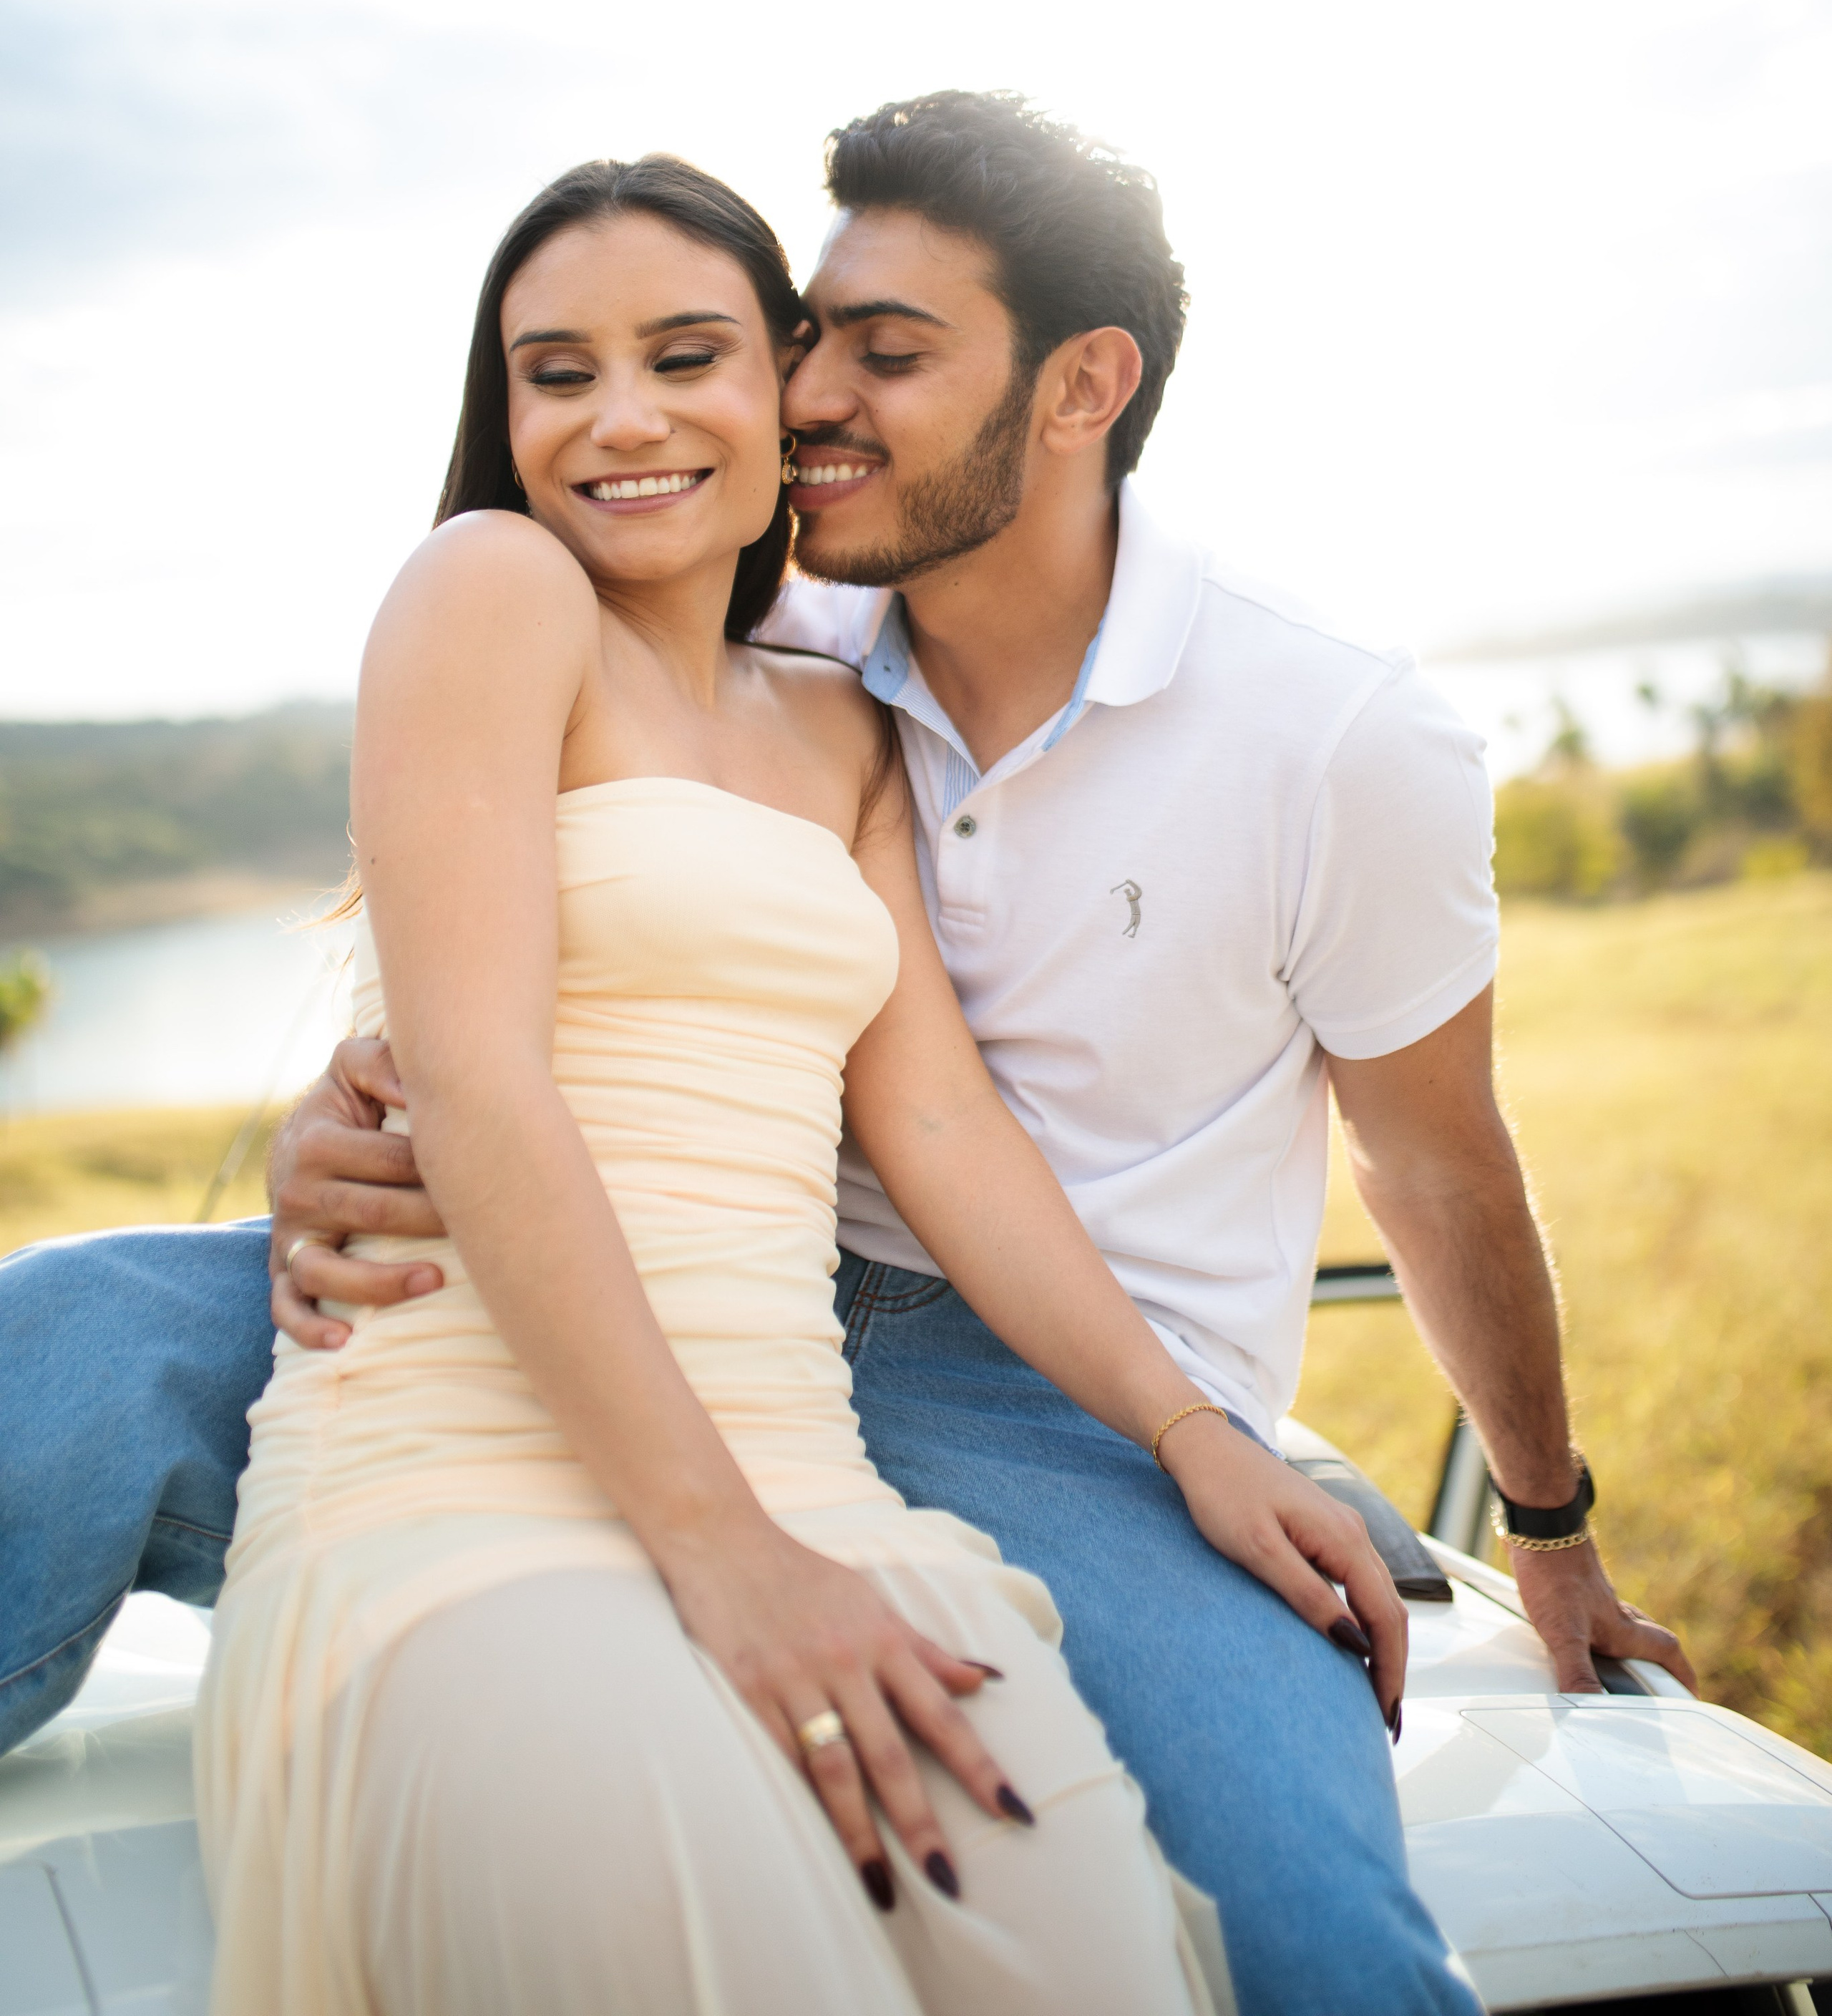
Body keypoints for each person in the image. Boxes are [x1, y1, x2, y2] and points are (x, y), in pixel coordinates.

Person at [0, 93, 1689, 2012]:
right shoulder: (734, 579)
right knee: (76, 1334)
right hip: (592, 1290)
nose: (805, 405)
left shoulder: (1322, 732)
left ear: (1079, 390)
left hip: (1015, 1386)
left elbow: (1409, 1163)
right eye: (806, 341)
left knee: (1315, 1941)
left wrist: (1513, 1515)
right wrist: (364, 1099)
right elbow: (495, 993)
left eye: (876, 356)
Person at [191, 148, 1406, 2016]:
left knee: (1086, 1955)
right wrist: (720, 1558)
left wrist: (1191, 1434)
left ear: (784, 388)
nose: (623, 420)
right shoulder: (494, 590)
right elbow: (483, 1080)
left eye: (687, 355)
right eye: (556, 371)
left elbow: (939, 1130)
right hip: (475, 1481)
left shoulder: (841, 721)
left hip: (812, 1479)